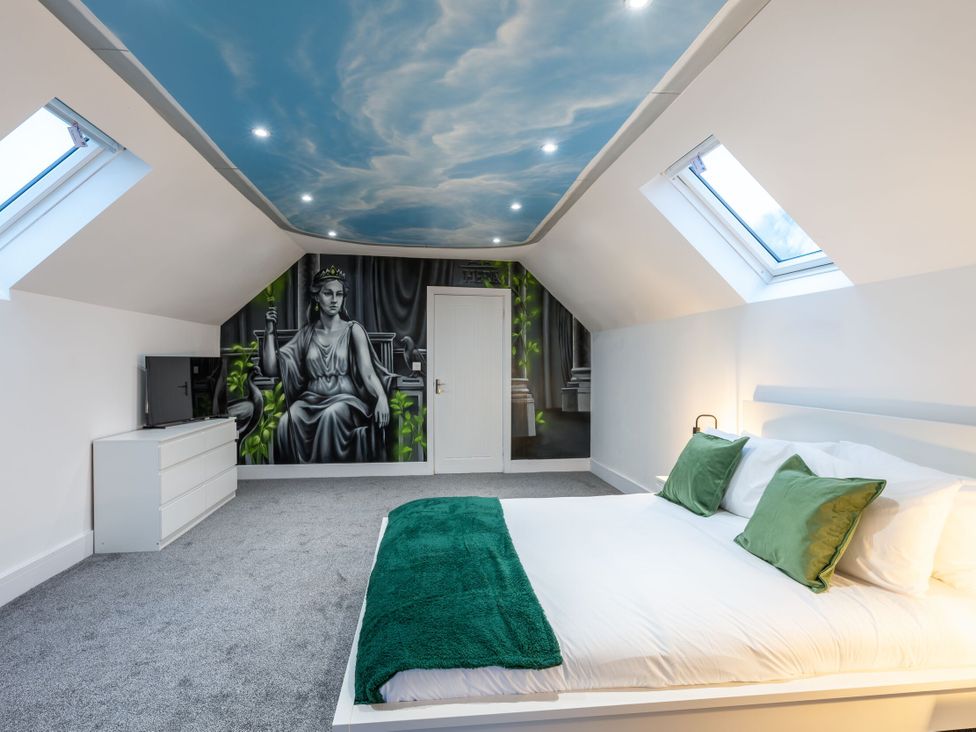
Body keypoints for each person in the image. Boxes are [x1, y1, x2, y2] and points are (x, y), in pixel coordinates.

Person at [260, 265, 391, 463]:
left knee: (331, 415)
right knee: (287, 420)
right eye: (328, 293)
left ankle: (331, 476)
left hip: (345, 400)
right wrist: (269, 331)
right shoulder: (307, 334)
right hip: (310, 400)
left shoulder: (353, 330)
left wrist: (381, 397)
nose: (334, 300)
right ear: (316, 297)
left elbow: (368, 372)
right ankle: (302, 476)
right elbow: (270, 369)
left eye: (339, 294)